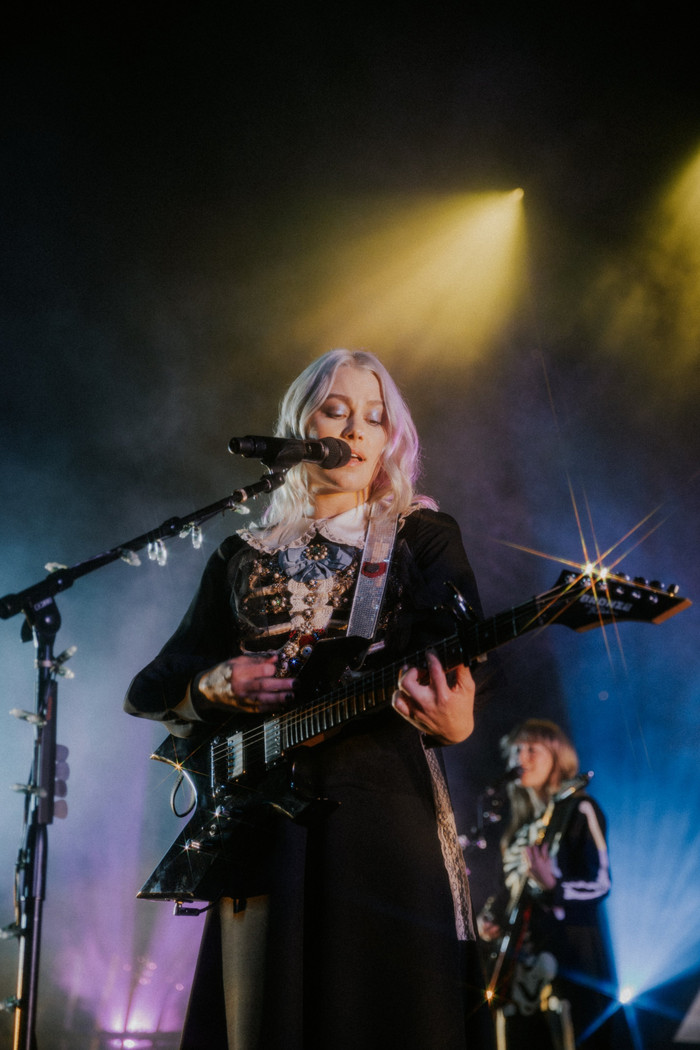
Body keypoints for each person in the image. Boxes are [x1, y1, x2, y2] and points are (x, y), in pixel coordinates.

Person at [125, 349, 495, 1050]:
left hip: (383, 817)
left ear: (391, 441)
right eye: (337, 410)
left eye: (375, 417)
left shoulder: (418, 535)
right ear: (301, 423)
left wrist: (461, 712)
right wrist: (215, 684)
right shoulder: (242, 554)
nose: (356, 429)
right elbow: (151, 687)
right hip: (264, 825)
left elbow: (466, 644)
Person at [476, 719, 614, 1050]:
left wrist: (554, 884)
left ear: (556, 755)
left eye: (531, 749)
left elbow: (601, 883)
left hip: (565, 962)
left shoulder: (580, 808)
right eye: (516, 751)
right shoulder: (516, 830)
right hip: (516, 965)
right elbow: (504, 892)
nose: (521, 758)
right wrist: (488, 917)